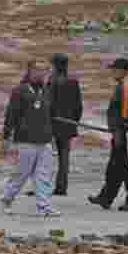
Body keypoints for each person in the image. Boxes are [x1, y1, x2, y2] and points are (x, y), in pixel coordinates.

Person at [0, 60, 59, 217]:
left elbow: (48, 116)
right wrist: (6, 136)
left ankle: (44, 206)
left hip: (44, 139)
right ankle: (7, 198)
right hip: (25, 139)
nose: (41, 73)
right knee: (21, 173)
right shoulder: (20, 91)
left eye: (44, 70)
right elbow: (11, 114)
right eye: (37, 70)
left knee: (43, 175)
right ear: (30, 71)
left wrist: (52, 137)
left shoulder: (47, 90)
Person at [89, 58, 128, 212]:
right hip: (121, 133)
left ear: (123, 71)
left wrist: (119, 132)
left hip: (127, 134)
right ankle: (106, 197)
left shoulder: (126, 88)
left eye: (115, 69)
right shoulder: (123, 86)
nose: (112, 72)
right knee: (115, 167)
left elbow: (125, 116)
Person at [47, 53, 83, 196]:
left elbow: (48, 103)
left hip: (52, 124)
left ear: (55, 66)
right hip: (68, 124)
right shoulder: (73, 82)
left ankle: (43, 185)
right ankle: (61, 187)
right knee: (64, 157)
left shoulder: (52, 81)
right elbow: (79, 106)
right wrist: (75, 122)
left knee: (45, 156)